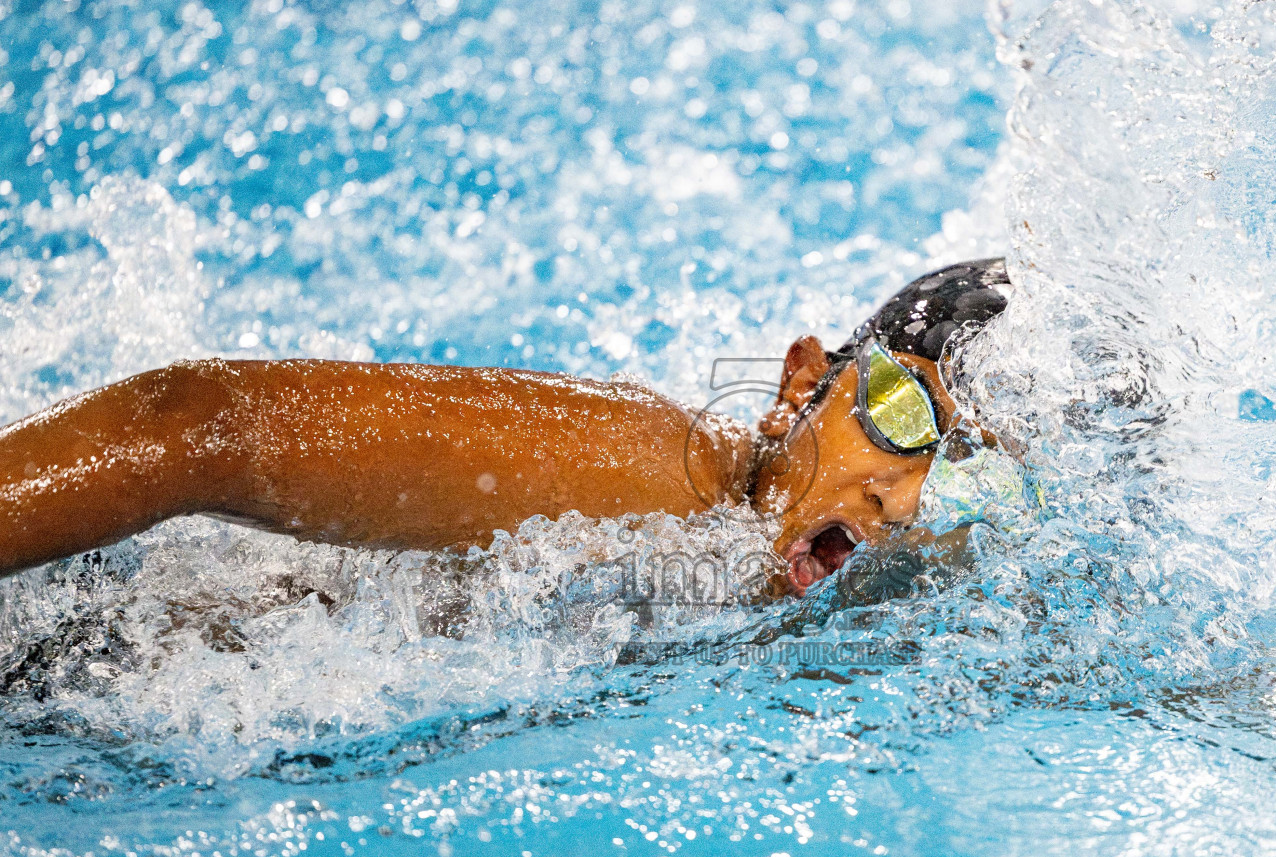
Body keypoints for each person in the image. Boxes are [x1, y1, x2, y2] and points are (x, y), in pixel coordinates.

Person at [0, 259, 1012, 596]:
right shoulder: (659, 475)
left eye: (965, 469)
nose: (909, 491)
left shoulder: (914, 599)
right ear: (800, 389)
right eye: (902, 413)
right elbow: (202, 423)